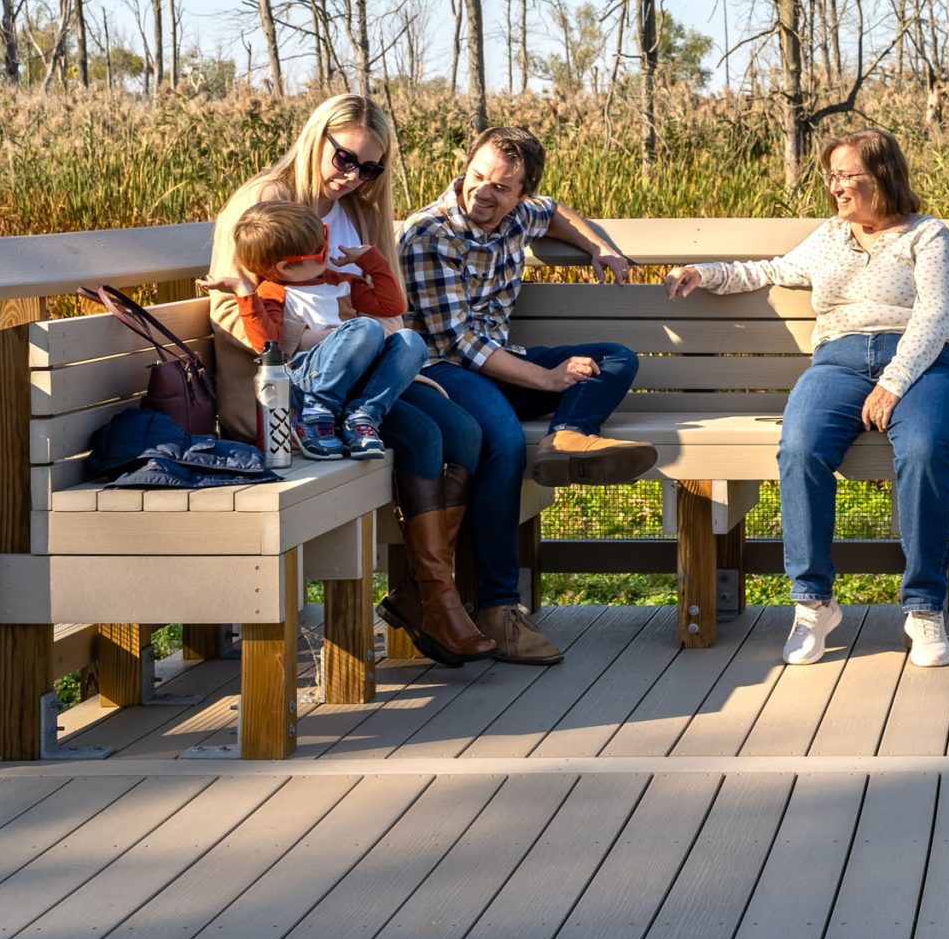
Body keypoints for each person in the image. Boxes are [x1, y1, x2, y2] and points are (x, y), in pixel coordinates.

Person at [207, 94, 495, 666]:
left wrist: (395, 364)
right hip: (291, 386)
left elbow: (389, 309)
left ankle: (421, 594)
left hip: (362, 369)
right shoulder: (267, 203)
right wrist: (339, 343)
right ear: (319, 139)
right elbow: (230, 307)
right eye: (345, 160)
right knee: (424, 438)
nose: (353, 177)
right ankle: (437, 598)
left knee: (465, 430)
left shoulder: (362, 211)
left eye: (370, 168)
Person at [666, 129, 949, 670]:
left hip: (922, 365)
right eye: (831, 176)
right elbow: (768, 271)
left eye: (845, 175)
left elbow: (935, 315)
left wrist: (894, 382)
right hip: (838, 361)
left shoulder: (927, 235)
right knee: (800, 448)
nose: (835, 187)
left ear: (882, 175)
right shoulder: (830, 236)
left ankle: (924, 607)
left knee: (924, 450)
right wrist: (702, 273)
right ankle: (814, 604)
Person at [400, 125, 659, 665]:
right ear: (465, 168)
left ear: (520, 191)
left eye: (502, 186)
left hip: (499, 361)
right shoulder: (429, 234)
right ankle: (499, 606)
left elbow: (556, 212)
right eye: (477, 177)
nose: (483, 193)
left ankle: (567, 438)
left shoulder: (519, 215)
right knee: (503, 441)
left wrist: (599, 247)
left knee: (616, 358)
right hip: (443, 372)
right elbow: (457, 344)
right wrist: (546, 379)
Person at [198, 198, 427, 460]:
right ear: (285, 267)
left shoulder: (339, 282)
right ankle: (314, 415)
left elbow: (391, 305)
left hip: (353, 376)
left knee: (410, 340)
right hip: (306, 379)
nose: (327, 252)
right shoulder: (274, 294)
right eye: (320, 252)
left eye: (325, 240)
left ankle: (363, 415)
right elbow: (268, 345)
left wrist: (371, 262)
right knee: (367, 328)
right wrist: (245, 293)